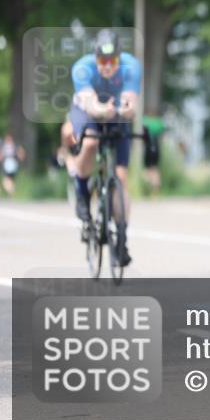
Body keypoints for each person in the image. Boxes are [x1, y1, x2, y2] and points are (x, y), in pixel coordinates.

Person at [67, 29, 141, 266]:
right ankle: (81, 190)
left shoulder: (131, 66)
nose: (108, 66)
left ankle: (122, 239)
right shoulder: (82, 68)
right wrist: (101, 110)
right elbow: (90, 104)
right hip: (87, 111)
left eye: (113, 61)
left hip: (115, 113)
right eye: (102, 61)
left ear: (119, 58)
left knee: (121, 176)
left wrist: (128, 109)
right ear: (95, 57)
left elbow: (130, 99)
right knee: (90, 142)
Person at [141, 114, 166, 196]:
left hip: (148, 148)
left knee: (147, 169)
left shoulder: (145, 121)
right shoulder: (159, 123)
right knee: (155, 169)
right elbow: (163, 133)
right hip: (157, 148)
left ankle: (147, 188)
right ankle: (155, 190)